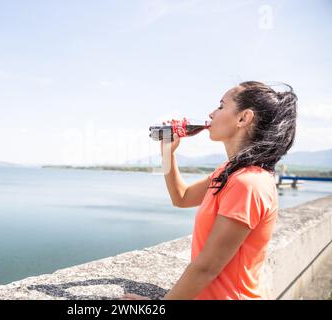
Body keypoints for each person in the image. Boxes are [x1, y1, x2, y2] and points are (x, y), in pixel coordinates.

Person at [122, 81, 297, 300]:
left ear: (244, 118)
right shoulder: (229, 172)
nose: (211, 114)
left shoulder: (249, 183)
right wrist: (168, 153)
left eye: (221, 106)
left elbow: (206, 268)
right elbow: (182, 197)